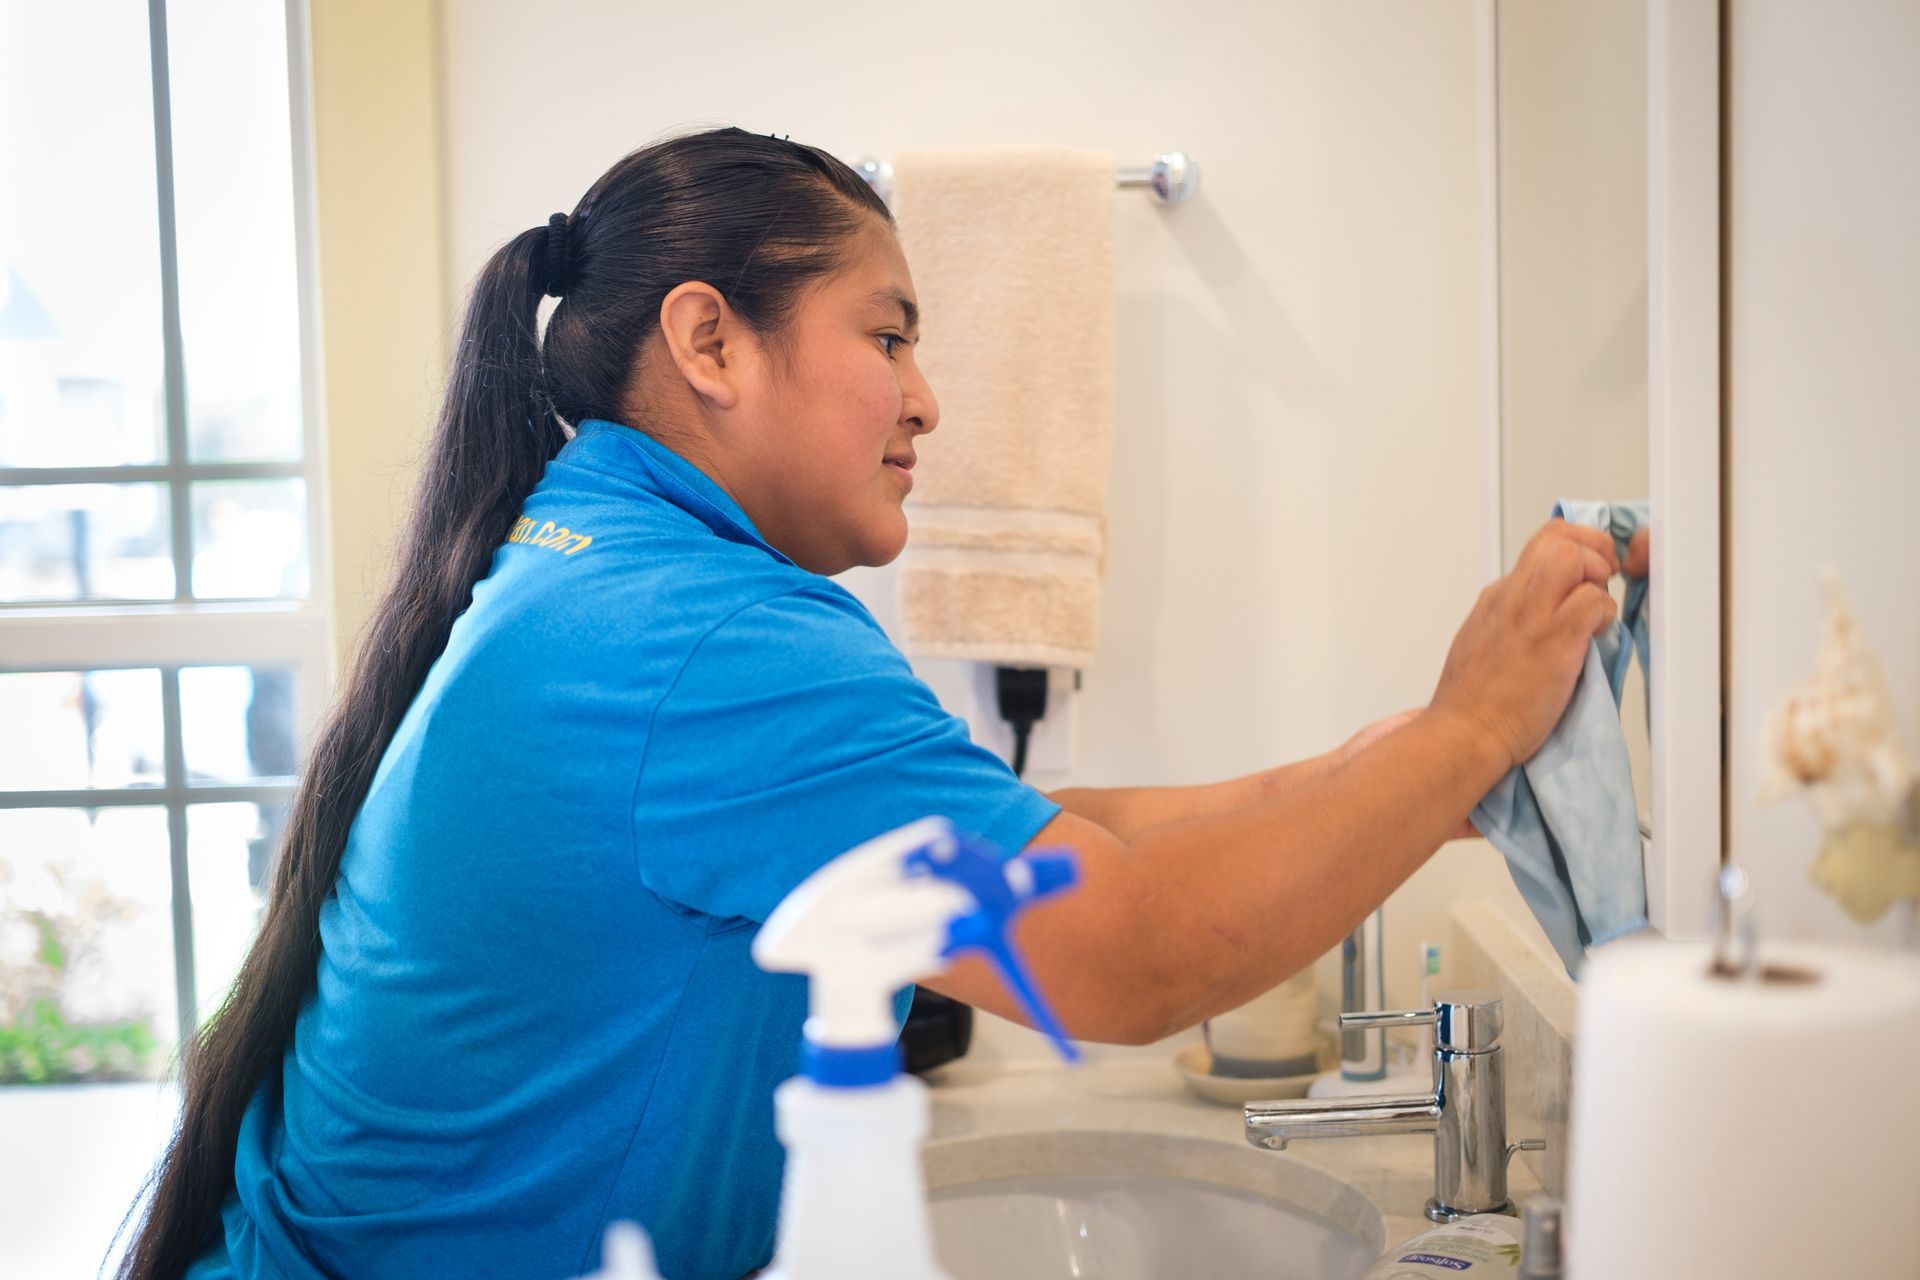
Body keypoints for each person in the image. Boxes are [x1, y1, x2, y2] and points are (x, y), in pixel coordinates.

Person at [120, 127, 1620, 1280]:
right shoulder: (696, 636)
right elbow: (1133, 956)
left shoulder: (598, 556)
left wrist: (1386, 764)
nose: (928, 400)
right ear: (711, 342)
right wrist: (1470, 738)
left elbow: (1020, 836)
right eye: (890, 336)